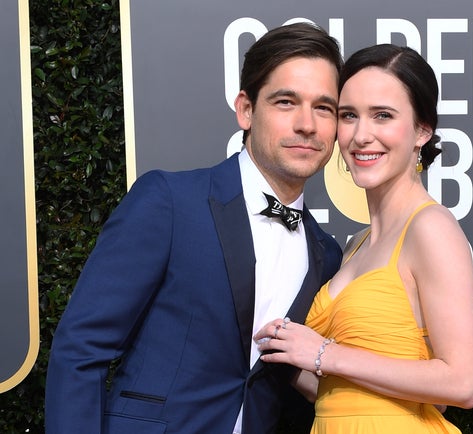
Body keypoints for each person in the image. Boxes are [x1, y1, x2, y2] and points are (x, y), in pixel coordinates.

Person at [45, 22, 343, 434]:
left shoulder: (326, 254)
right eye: (286, 102)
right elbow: (82, 349)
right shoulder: (168, 200)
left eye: (324, 107)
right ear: (246, 110)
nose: (307, 124)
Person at [254, 44, 473, 433]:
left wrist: (324, 352)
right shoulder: (355, 244)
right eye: (349, 116)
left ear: (422, 130)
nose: (361, 136)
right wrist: (287, 359)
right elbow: (341, 393)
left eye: (383, 116)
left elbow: (460, 386)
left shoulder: (431, 228)